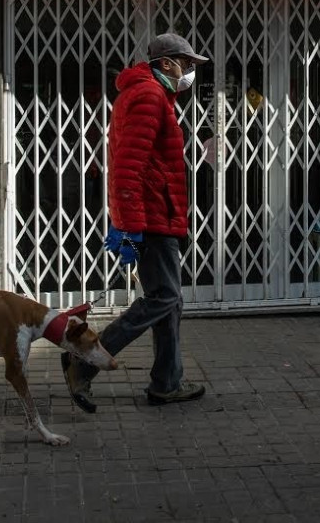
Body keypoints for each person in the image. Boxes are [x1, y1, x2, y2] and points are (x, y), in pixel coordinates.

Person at [61, 32, 209, 411]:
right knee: (164, 298)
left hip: (160, 215)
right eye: (187, 64)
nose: (190, 71)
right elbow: (128, 167)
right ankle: (86, 359)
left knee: (169, 302)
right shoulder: (148, 96)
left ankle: (166, 382)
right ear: (166, 63)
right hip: (154, 218)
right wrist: (130, 225)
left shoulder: (152, 95)